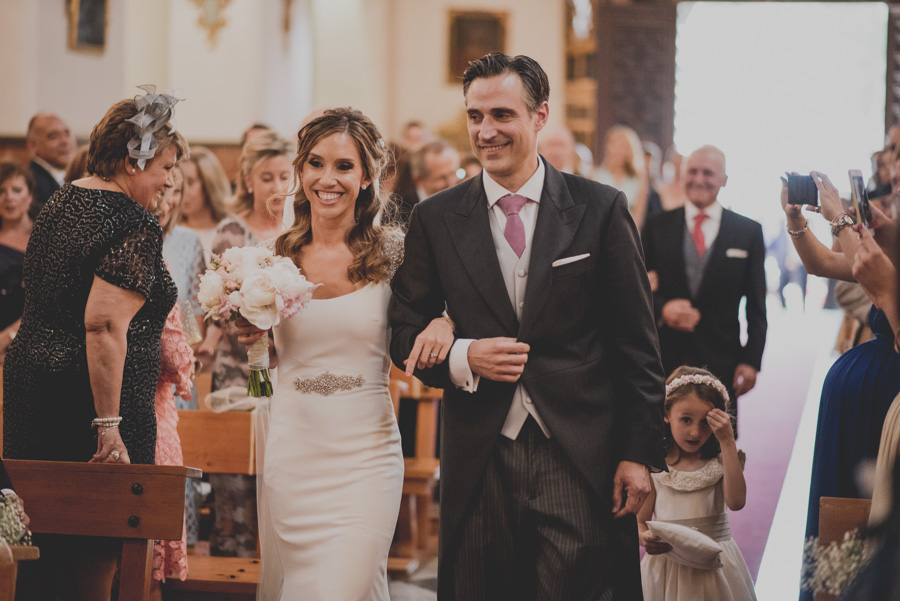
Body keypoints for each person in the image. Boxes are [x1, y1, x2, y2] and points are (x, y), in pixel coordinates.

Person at [389, 53, 666, 599]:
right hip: (479, 452)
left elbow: (637, 344)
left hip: (578, 450)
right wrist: (464, 355)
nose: (486, 131)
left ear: (540, 116)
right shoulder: (437, 218)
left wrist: (638, 452)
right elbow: (403, 332)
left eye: (501, 114)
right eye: (474, 117)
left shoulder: (600, 208)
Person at [235, 107, 453, 600]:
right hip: (294, 452)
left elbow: (447, 311)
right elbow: (261, 385)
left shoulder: (395, 252)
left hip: (366, 455)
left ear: (368, 176)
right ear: (300, 170)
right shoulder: (271, 260)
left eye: (343, 166)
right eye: (315, 163)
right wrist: (254, 350)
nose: (326, 179)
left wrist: (445, 320)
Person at [4, 86, 186, 600]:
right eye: (165, 167)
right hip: (93, 411)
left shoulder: (61, 201)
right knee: (94, 556)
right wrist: (110, 428)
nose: (169, 180)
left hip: (32, 397)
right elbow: (103, 326)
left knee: (40, 551)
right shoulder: (133, 222)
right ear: (133, 160)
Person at [781, 166, 900, 601]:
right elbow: (821, 264)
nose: (894, 171)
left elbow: (879, 281)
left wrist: (839, 219)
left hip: (887, 405)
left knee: (868, 522)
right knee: (838, 525)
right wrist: (797, 221)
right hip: (857, 403)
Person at [198, 131, 293, 558]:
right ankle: (231, 556)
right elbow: (218, 302)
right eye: (267, 177)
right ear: (248, 180)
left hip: (285, 367)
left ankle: (274, 560)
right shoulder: (231, 231)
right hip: (237, 367)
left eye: (284, 177)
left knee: (279, 475)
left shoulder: (299, 231)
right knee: (232, 481)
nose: (276, 186)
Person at [642, 145, 767, 436]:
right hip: (665, 359)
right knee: (661, 445)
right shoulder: (656, 226)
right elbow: (637, 288)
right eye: (693, 172)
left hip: (721, 358)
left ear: (724, 179)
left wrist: (751, 360)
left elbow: (757, 306)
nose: (699, 179)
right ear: (682, 176)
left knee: (717, 453)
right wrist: (663, 309)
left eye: (708, 173)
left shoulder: (748, 232)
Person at [638, 366, 756, 601]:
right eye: (686, 419)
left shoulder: (722, 460)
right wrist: (643, 537)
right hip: (667, 567)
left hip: (717, 568)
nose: (695, 431)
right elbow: (641, 520)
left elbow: (736, 502)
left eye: (706, 422)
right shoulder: (654, 465)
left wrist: (727, 442)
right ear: (666, 414)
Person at [149, 179, 195, 597]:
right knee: (147, 547)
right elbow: (170, 344)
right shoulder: (146, 248)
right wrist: (186, 371)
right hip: (153, 409)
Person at [0, 163, 35, 365]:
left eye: (17, 190)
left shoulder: (45, 238)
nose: (9, 197)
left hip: (31, 343)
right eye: (1, 191)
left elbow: (51, 301)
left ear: (29, 196)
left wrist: (9, 336)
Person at [179, 146, 231, 259]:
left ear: (209, 184)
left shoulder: (231, 230)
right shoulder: (170, 232)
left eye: (190, 182)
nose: (182, 191)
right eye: (179, 183)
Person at [594, 124, 649, 228]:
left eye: (624, 146)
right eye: (615, 145)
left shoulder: (639, 178)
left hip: (628, 230)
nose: (619, 151)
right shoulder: (596, 174)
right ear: (608, 147)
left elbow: (639, 213)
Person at [25, 113, 76, 219]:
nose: (65, 141)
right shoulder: (31, 184)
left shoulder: (77, 176)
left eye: (67, 133)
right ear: (33, 145)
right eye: (53, 136)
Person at [397, 139, 461, 224]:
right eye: (442, 178)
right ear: (418, 180)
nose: (452, 183)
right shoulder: (399, 213)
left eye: (454, 173)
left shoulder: (468, 202)